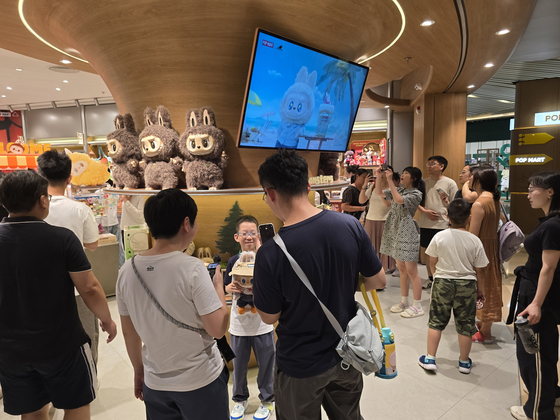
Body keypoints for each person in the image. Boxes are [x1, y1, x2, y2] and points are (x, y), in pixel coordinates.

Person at [252, 149, 386, 420]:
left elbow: (269, 316)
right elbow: (377, 280)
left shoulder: (269, 253)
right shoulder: (349, 225)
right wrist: (337, 280)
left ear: (271, 193)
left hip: (300, 365)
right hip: (348, 353)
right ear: (308, 187)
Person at [0, 170, 117, 419]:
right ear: (43, 201)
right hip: (62, 345)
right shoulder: (62, 238)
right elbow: (89, 287)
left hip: (10, 349)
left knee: (32, 412)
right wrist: (106, 319)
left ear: (4, 203)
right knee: (76, 405)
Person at [116, 188, 230, 420]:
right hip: (200, 380)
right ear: (186, 223)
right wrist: (219, 287)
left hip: (155, 382)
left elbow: (129, 333)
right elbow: (217, 329)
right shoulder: (192, 268)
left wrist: (139, 370)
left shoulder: (127, 270)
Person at [37, 150, 102, 365]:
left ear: (40, 176)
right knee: (86, 340)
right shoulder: (80, 209)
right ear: (69, 179)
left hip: (40, 288)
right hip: (78, 287)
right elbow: (93, 245)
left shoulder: (32, 208)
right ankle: (88, 378)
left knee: (49, 344)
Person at [508, 172, 560, 420]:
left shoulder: (552, 225)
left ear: (550, 191)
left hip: (539, 296)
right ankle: (549, 394)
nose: (528, 194)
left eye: (532, 190)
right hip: (536, 291)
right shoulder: (551, 221)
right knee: (543, 349)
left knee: (534, 352)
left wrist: (536, 303)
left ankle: (539, 411)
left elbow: (548, 268)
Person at [418, 198, 488, 374]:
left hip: (443, 282)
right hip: (467, 284)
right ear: (469, 217)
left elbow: (432, 260)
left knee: (436, 321)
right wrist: (480, 290)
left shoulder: (439, 236)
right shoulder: (475, 240)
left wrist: (436, 276)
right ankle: (464, 362)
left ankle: (430, 358)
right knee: (465, 324)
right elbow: (480, 269)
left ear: (447, 216)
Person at [224, 215, 275, 420]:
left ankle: (268, 400)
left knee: (267, 365)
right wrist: (228, 288)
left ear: (258, 235)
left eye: (253, 233)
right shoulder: (233, 261)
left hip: (263, 323)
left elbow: (275, 286)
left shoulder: (266, 259)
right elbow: (226, 287)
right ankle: (239, 399)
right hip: (239, 325)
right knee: (238, 367)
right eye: (244, 233)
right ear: (237, 237)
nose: (249, 237)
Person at [376, 166, 426, 318]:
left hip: (408, 232)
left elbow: (397, 200)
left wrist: (390, 180)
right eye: (403, 172)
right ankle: (404, 301)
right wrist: (379, 176)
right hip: (396, 230)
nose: (403, 175)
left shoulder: (416, 194)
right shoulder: (400, 190)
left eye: (406, 173)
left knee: (412, 271)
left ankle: (417, 305)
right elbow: (379, 193)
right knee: (402, 269)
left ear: (414, 178)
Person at [469, 165, 502, 343]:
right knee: (490, 285)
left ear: (479, 180)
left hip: (481, 249)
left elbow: (473, 236)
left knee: (483, 287)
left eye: (471, 177)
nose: (469, 179)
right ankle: (484, 325)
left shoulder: (479, 203)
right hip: (491, 247)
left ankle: (485, 333)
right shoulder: (494, 198)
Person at [418, 155, 458, 289]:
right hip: (425, 222)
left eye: (432, 163)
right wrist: (424, 211)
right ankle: (430, 278)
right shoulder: (423, 183)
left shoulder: (450, 183)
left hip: (442, 223)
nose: (429, 166)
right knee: (428, 252)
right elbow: (416, 201)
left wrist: (447, 205)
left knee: (442, 253)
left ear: (441, 166)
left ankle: (441, 278)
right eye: (428, 163)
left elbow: (455, 204)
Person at [360, 168, 398, 273]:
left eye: (382, 172)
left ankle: (384, 268)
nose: (379, 174)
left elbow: (387, 204)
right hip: (370, 220)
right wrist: (365, 184)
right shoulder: (372, 187)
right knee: (370, 246)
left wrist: (379, 190)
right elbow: (361, 200)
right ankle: (372, 268)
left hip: (385, 221)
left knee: (384, 247)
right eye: (378, 172)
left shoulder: (392, 188)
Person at [119, 194, 146, 264]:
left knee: (139, 259)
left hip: (137, 231)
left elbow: (140, 215)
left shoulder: (140, 196)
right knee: (128, 258)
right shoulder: (125, 194)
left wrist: (126, 202)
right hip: (125, 229)